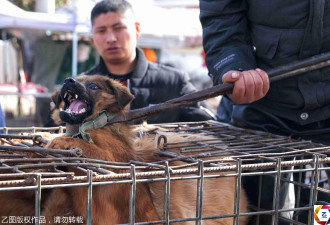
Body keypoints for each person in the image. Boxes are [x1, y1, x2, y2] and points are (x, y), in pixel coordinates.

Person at [199, 1, 330, 224]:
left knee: (321, 216)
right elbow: (222, 21)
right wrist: (233, 68)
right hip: (263, 106)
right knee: (258, 213)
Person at [83, 0, 215, 124]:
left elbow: (209, 126)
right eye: (101, 31)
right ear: (92, 36)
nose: (111, 38)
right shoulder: (82, 88)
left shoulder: (173, 82)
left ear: (137, 29)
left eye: (118, 28)